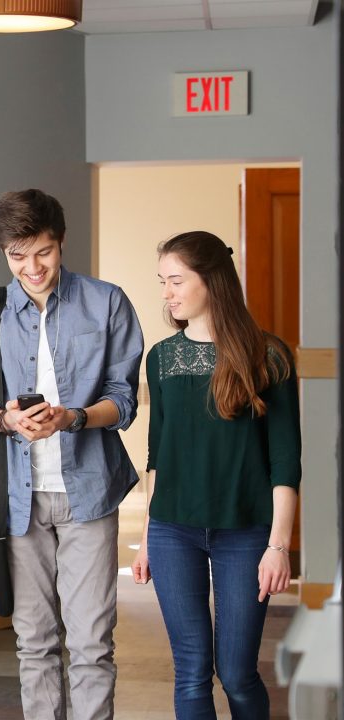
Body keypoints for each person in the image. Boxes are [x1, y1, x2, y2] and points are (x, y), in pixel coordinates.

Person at [0, 189, 143, 720]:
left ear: (60, 243)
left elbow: (123, 397)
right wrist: (8, 420)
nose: (32, 267)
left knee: (92, 644)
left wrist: (74, 417)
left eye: (43, 252)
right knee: (34, 641)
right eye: (18, 256)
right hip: (16, 497)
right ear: (4, 253)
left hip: (89, 491)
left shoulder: (106, 301)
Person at [131, 231, 300, 719]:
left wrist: (279, 545)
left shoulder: (269, 356)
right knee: (190, 670)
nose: (167, 293)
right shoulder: (162, 358)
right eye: (162, 281)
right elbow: (157, 455)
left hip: (245, 536)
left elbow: (286, 461)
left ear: (212, 280)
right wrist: (146, 537)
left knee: (238, 672)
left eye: (176, 280)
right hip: (172, 532)